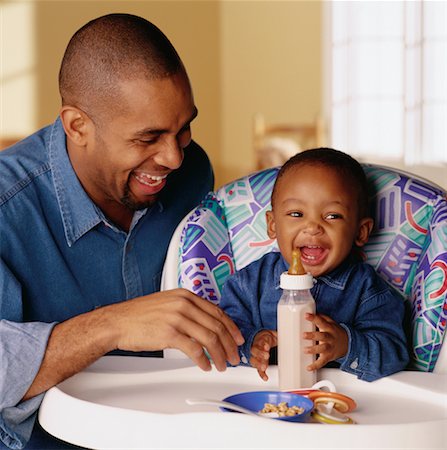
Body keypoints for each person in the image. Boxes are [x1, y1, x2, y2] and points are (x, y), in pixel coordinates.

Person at [0, 14, 244, 450]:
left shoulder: (191, 171)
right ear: (78, 126)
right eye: (147, 138)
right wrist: (112, 326)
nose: (171, 156)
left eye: (183, 127)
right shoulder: (7, 209)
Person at [219, 148, 409, 383]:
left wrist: (346, 344)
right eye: (297, 213)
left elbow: (395, 354)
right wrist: (251, 345)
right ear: (273, 225)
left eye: (332, 216)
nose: (312, 227)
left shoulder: (368, 291)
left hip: (339, 398)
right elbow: (221, 338)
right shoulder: (248, 284)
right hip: (264, 397)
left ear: (361, 232)